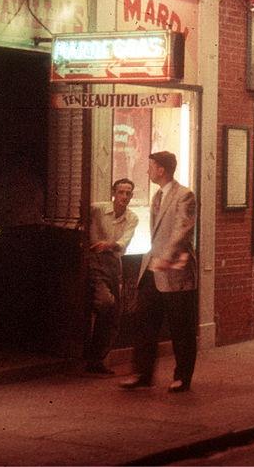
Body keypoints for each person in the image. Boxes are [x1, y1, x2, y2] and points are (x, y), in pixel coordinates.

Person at [119, 151, 198, 393]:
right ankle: (142, 373)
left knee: (180, 327)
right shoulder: (157, 196)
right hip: (153, 268)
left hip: (175, 269)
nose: (148, 171)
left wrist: (166, 258)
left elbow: (182, 230)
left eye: (150, 166)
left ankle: (182, 377)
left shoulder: (184, 195)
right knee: (144, 322)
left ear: (161, 169)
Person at [83, 178, 138, 374]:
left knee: (115, 312)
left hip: (114, 263)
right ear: (113, 193)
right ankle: (86, 354)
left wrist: (109, 244)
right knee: (105, 302)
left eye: (128, 193)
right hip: (95, 260)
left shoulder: (132, 218)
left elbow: (124, 241)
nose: (124, 197)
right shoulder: (97, 209)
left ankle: (96, 359)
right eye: (121, 192)